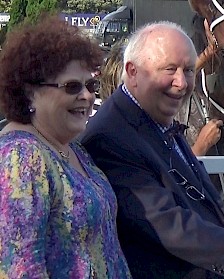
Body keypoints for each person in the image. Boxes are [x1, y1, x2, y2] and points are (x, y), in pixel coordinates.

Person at [80, 21, 224, 279]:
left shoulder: (154, 118)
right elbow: (167, 224)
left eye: (188, 70)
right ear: (133, 72)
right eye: (169, 69)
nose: (181, 83)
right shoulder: (112, 137)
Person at [0, 16, 132, 278]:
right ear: (30, 93)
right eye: (72, 86)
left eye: (91, 85)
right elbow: (20, 268)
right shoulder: (20, 159)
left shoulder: (72, 149)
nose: (86, 95)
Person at [98, 40, 222, 156]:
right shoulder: (124, 136)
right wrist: (202, 145)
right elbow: (171, 175)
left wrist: (208, 54)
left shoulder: (117, 118)